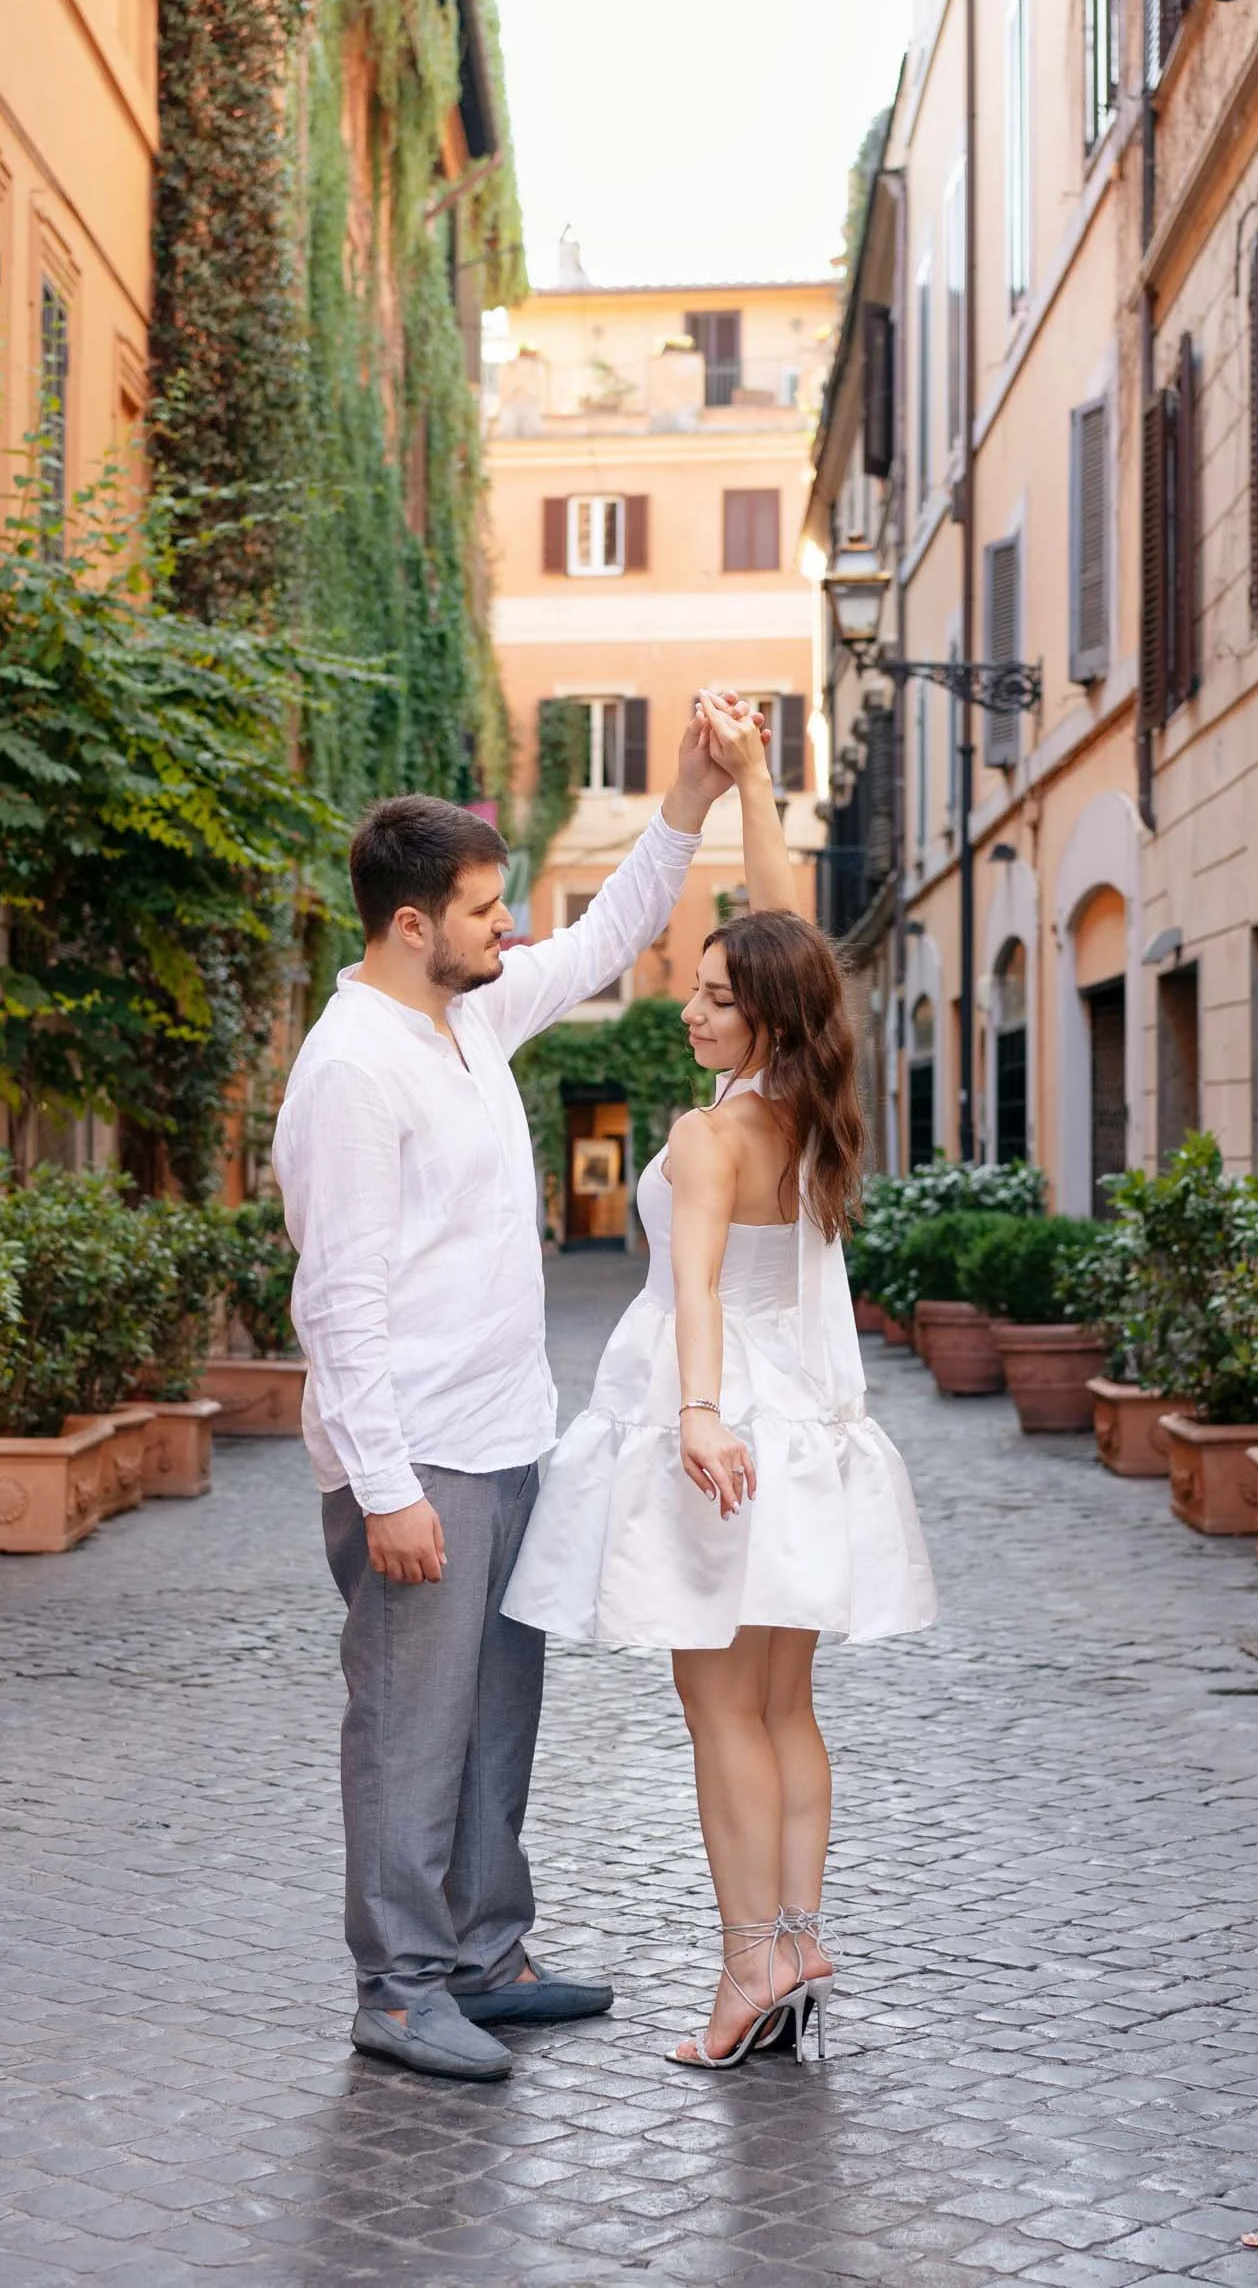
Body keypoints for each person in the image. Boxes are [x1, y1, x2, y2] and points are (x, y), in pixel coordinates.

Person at [271, 695, 758, 2083]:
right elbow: (339, 1300)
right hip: (414, 1461)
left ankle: (485, 1954)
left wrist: (687, 797)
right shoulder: (352, 1068)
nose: (510, 930)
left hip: (501, 1438)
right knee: (408, 1731)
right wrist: (386, 1488)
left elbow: (609, 935)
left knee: (492, 1719)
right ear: (410, 924)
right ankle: (401, 1983)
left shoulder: (468, 1024)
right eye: (486, 911)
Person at [504, 693, 937, 2070]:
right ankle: (798, 1935)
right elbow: (786, 933)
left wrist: (693, 1413)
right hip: (807, 1425)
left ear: (755, 1013)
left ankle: (747, 1969)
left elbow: (689, 1285)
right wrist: (749, 780)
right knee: (783, 1706)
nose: (687, 1006)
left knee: (716, 1714)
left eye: (709, 993)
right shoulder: (815, 1106)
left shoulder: (704, 1138)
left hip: (723, 1427)